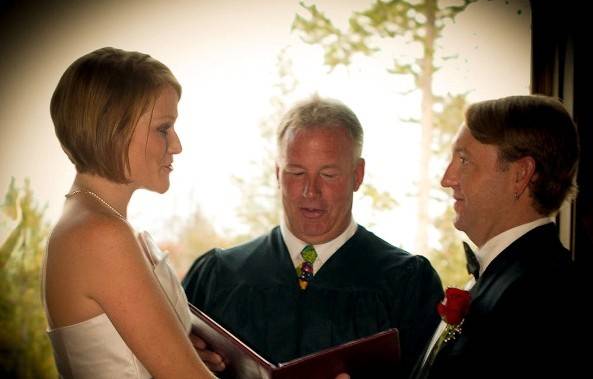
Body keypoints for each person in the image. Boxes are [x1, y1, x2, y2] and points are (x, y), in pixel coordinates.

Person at [183, 96, 444, 377]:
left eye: (328, 175)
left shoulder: (406, 283)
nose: (311, 191)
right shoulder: (217, 276)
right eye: (296, 173)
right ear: (277, 173)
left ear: (357, 175)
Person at [43, 47, 215, 379]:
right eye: (164, 128)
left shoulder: (91, 221)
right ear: (115, 129)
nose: (177, 144)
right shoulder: (99, 234)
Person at [410, 95, 581, 379]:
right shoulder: (506, 277)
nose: (447, 179)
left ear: (521, 174)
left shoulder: (543, 295)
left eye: (464, 160)